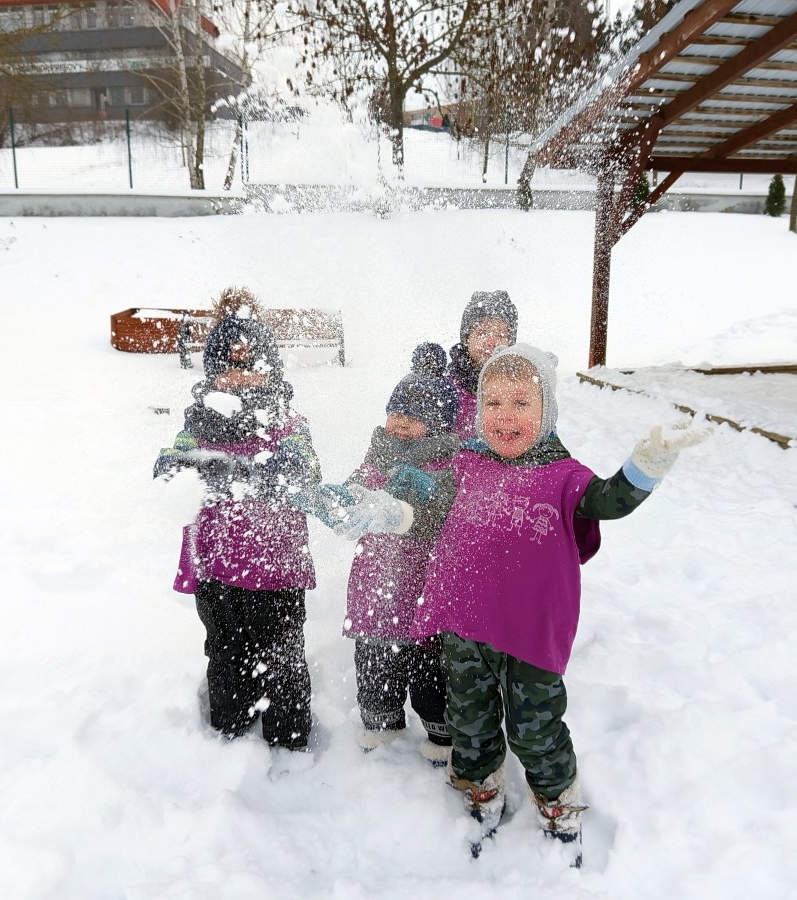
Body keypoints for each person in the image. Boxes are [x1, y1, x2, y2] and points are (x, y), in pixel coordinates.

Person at [329, 343, 711, 865]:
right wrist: (389, 512)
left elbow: (609, 501)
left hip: (529, 632)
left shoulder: (564, 477)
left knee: (536, 730)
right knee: (469, 721)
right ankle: (480, 788)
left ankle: (557, 803)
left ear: (546, 411)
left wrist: (647, 465)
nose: (505, 416)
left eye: (521, 403)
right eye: (493, 403)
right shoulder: (466, 467)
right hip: (463, 625)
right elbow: (428, 513)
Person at [154, 309, 321, 754]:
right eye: (228, 366)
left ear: (270, 368)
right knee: (226, 649)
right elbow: (168, 467)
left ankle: (288, 739)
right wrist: (207, 468)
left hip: (274, 566)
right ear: (212, 374)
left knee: (281, 655)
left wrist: (229, 471)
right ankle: (229, 727)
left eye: (251, 364)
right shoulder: (196, 426)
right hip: (215, 564)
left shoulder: (289, 423)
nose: (240, 376)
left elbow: (302, 470)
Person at [326, 343, 461, 764]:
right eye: (395, 411)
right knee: (375, 662)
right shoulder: (377, 456)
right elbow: (356, 490)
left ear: (437, 424)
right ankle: (380, 724)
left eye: (414, 415)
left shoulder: (450, 466)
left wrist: (424, 497)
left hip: (422, 590)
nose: (400, 421)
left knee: (429, 672)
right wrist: (339, 502)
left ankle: (440, 732)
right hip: (375, 589)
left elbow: (449, 519)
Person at [446, 290, 518, 441]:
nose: (491, 342)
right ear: (466, 339)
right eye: (482, 333)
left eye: (501, 335)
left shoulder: (520, 387)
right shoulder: (447, 389)